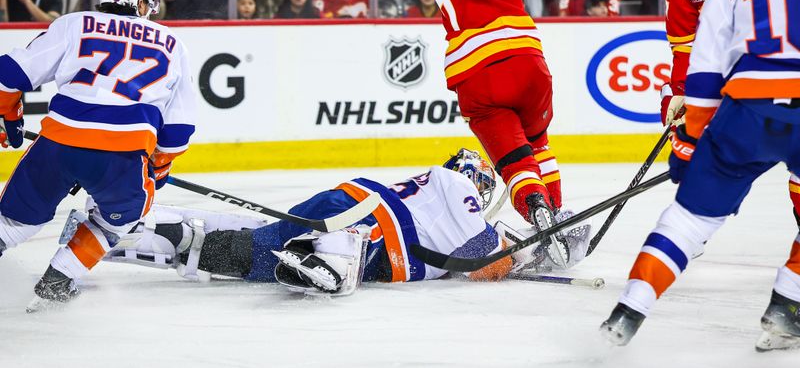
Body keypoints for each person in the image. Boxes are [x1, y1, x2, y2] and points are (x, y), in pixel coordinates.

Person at [600, 0, 800, 352]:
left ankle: (633, 305)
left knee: (689, 217)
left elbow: (704, 71)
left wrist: (690, 139)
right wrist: (675, 94)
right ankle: (789, 301)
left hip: (745, 101)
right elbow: (683, 51)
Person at [95, 149, 592, 295]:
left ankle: (118, 233)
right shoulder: (455, 185)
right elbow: (484, 257)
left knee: (239, 248)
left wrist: (531, 251)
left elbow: (482, 259)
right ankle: (328, 259)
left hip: (346, 208)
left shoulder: (439, 198)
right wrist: (543, 248)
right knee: (342, 272)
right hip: (361, 222)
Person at [0, 0, 195, 310]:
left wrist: (9, 114)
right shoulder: (171, 43)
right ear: (138, 1)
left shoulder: (74, 24)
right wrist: (158, 168)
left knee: (14, 220)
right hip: (122, 156)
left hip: (58, 145)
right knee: (118, 218)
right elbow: (178, 132)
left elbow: (8, 75)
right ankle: (58, 281)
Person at [428, 0, 571, 266]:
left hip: (481, 80)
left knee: (514, 159)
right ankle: (555, 212)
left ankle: (535, 205)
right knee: (538, 142)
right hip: (528, 66)